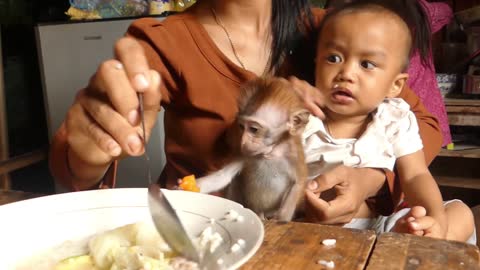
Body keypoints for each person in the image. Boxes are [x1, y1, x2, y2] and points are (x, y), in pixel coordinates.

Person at [48, 0, 443, 225]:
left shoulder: (332, 33)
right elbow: (75, 172)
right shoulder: (162, 42)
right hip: (210, 234)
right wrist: (90, 149)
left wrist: (371, 178)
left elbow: (421, 125)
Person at [301, 0, 474, 242]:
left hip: (383, 225)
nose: (346, 74)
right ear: (315, 64)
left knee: (460, 213)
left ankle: (412, 245)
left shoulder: (394, 117)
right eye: (333, 58)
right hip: (321, 231)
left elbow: (415, 176)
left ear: (395, 85)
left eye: (366, 64)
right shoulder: (304, 117)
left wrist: (434, 220)